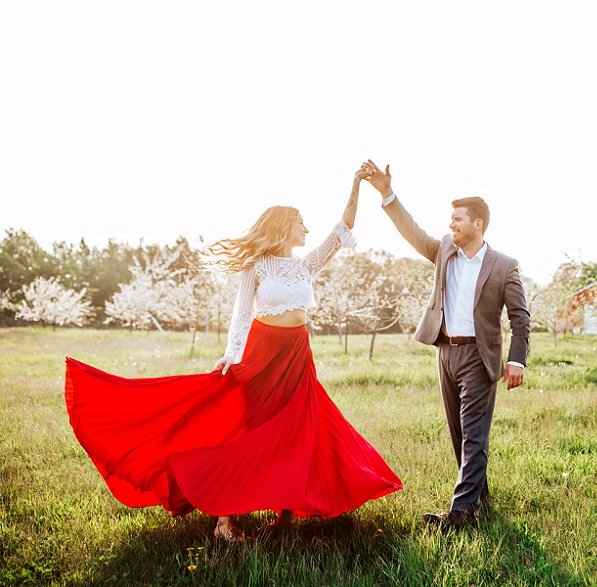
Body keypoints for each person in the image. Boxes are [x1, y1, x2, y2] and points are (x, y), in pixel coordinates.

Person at [64, 166, 402, 542]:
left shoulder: (306, 264)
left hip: (297, 354)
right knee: (251, 431)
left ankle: (285, 517)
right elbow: (242, 314)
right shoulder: (256, 266)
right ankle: (223, 520)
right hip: (263, 352)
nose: (307, 229)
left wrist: (356, 184)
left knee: (298, 431)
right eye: (301, 223)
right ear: (283, 227)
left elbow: (342, 229)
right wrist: (231, 354)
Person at [362, 159, 530, 528]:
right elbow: (411, 230)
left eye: (457, 219)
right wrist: (387, 193)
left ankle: (459, 514)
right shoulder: (444, 251)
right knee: (459, 434)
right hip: (445, 352)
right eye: (450, 219)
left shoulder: (504, 265)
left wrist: (517, 361)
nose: (450, 224)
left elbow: (520, 317)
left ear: (477, 224)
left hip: (479, 355)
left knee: (473, 434)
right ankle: (479, 499)